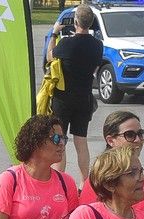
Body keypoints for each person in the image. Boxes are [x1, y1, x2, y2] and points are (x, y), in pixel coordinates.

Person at [47, 4, 101, 181]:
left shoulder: (67, 43)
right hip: (84, 98)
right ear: (91, 22)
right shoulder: (97, 45)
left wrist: (55, 33)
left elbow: (49, 56)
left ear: (76, 21)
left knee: (59, 141)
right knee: (81, 141)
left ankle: (59, 181)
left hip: (63, 99)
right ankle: (85, 182)